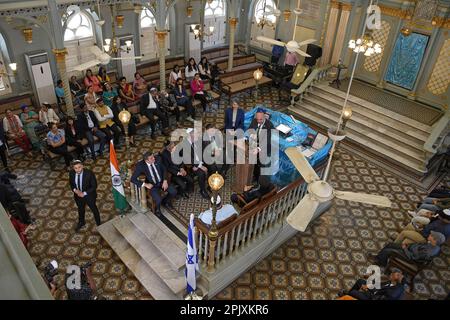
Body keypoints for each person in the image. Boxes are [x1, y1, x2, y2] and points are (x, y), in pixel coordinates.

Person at [131, 151, 177, 216]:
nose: (154, 159)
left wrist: (165, 180)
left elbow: (164, 169)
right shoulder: (141, 166)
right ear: (146, 160)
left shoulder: (158, 159)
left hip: (161, 181)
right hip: (152, 185)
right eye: (151, 158)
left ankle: (166, 201)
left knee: (174, 191)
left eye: (153, 156)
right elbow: (133, 179)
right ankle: (157, 209)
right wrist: (145, 184)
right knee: (158, 199)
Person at [368, 231, 446, 267]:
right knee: (390, 244)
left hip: (409, 256)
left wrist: (405, 248)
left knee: (388, 251)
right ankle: (379, 257)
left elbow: (412, 257)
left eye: (432, 235)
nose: (430, 235)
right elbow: (418, 246)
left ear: (435, 240)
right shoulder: (435, 245)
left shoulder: (427, 252)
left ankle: (381, 262)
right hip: (410, 249)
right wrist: (408, 245)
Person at [69, 160, 102, 231]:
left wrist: (83, 193)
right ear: (73, 168)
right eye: (75, 168)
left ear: (82, 166)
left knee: (94, 209)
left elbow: (94, 186)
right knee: (80, 209)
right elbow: (71, 184)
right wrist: (75, 190)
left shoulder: (89, 173)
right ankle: (81, 222)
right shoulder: (71, 173)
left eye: (79, 167)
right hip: (78, 196)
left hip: (89, 196)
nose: (78, 170)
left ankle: (99, 224)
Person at [178, 130, 209, 199]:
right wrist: (199, 166)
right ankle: (202, 190)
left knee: (213, 165)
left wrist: (201, 163)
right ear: (191, 136)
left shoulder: (197, 140)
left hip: (200, 161)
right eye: (196, 136)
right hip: (191, 164)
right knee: (201, 174)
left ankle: (210, 184)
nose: (198, 137)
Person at [339, 269, 406, 300]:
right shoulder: (391, 282)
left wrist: (366, 290)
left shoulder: (391, 293)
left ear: (396, 280)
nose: (390, 275)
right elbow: (379, 285)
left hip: (371, 297)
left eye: (392, 275)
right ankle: (348, 294)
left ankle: (349, 295)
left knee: (354, 292)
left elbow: (376, 297)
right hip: (375, 292)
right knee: (360, 281)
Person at [248, 109, 274, 182]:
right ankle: (254, 175)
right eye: (257, 119)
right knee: (255, 162)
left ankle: (258, 180)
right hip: (255, 144)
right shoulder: (254, 120)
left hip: (264, 148)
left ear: (264, 117)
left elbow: (267, 140)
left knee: (261, 164)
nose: (258, 121)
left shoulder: (270, 125)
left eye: (260, 119)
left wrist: (258, 148)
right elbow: (250, 129)